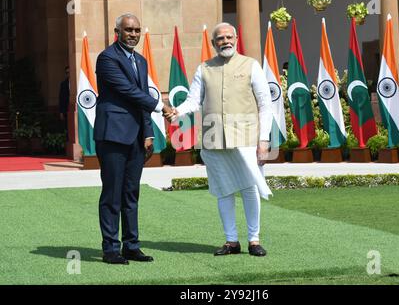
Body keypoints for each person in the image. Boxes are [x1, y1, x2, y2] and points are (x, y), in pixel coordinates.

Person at [166, 22, 273, 257]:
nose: (225, 41)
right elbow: (194, 100)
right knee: (223, 190)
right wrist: (177, 112)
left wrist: (264, 141)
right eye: (220, 39)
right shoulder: (204, 68)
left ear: (236, 38)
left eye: (228, 37)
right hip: (214, 140)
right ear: (214, 44)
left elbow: (266, 105)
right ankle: (231, 241)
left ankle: (254, 240)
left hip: (246, 139)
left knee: (249, 188)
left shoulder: (251, 65)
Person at [94, 13, 173, 265]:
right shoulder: (107, 58)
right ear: (117, 31)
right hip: (113, 136)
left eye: (137, 30)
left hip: (136, 138)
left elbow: (140, 96)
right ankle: (110, 249)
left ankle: (131, 246)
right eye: (128, 30)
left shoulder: (140, 60)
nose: (133, 34)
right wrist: (162, 107)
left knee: (131, 193)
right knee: (112, 194)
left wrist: (148, 132)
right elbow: (127, 91)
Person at [59, 66, 70, 134]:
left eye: (69, 72)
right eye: (67, 72)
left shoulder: (79, 82)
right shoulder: (63, 84)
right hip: (66, 109)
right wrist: (61, 112)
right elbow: (61, 98)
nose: (68, 74)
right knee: (67, 127)